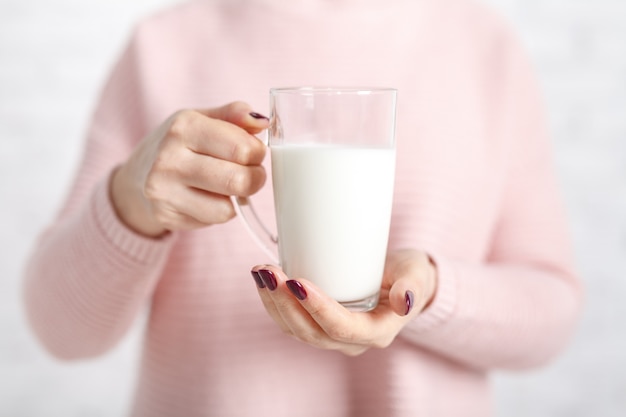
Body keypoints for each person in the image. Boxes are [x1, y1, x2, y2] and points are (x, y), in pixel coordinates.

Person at [23, 0, 584, 416]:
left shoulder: (484, 46)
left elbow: (552, 312)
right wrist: (129, 200)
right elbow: (60, 332)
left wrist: (429, 293)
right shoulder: (162, 45)